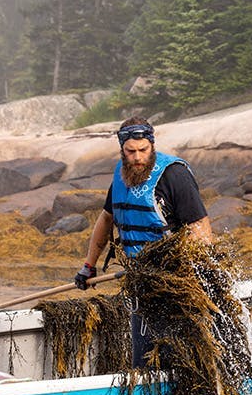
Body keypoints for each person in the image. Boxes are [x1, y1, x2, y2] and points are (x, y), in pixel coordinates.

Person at [74, 115, 213, 367]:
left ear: (152, 145)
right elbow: (106, 219)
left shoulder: (174, 175)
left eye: (143, 150)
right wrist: (88, 265)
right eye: (130, 152)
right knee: (144, 362)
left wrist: (192, 276)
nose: (137, 157)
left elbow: (200, 229)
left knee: (177, 361)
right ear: (122, 150)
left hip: (175, 285)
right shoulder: (121, 175)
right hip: (140, 283)